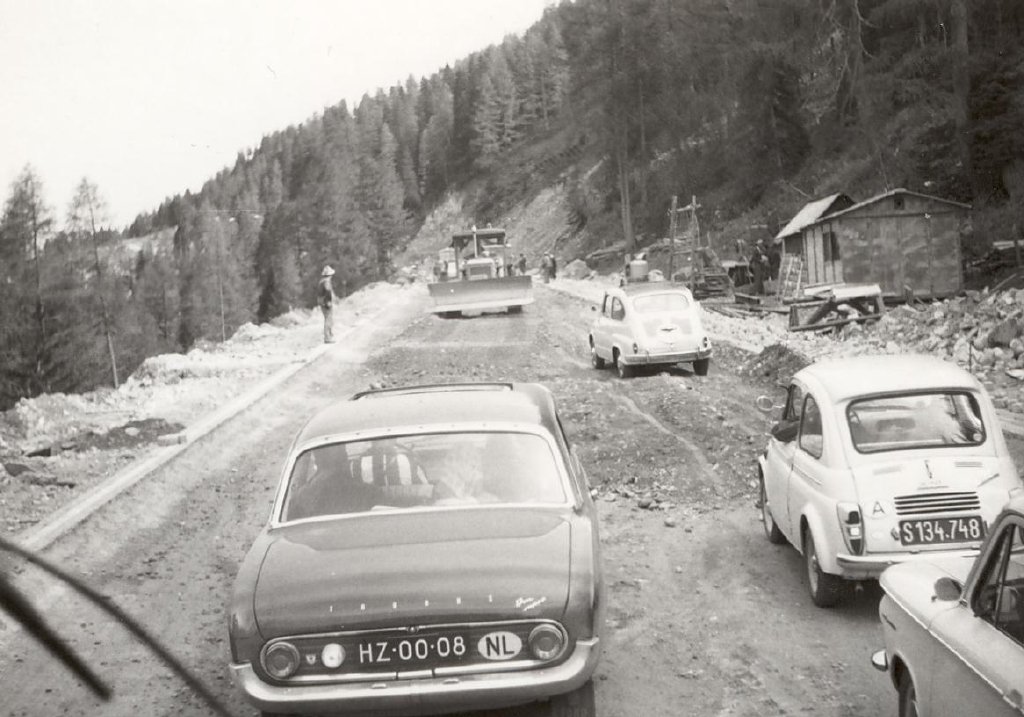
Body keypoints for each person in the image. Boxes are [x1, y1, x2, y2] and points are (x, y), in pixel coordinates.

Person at [317, 265, 337, 343]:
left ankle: (329, 335)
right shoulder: (326, 282)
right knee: (328, 319)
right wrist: (329, 302)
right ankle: (327, 337)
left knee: (327, 318)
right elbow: (328, 291)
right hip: (326, 302)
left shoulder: (322, 281)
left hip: (322, 301)